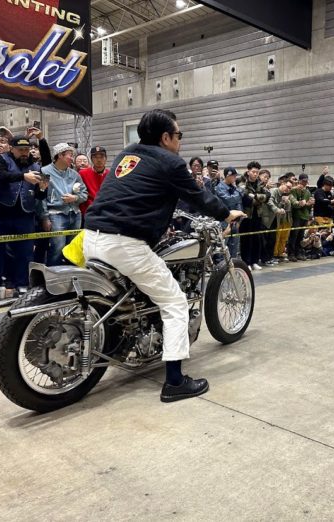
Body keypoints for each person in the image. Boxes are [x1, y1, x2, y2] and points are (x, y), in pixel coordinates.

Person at [84, 109, 244, 402]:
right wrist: (226, 213)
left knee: (134, 296)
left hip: (91, 238)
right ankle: (175, 382)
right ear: (166, 137)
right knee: (175, 303)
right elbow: (197, 196)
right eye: (179, 135)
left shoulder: (127, 154)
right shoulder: (170, 161)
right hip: (124, 244)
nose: (180, 141)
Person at [0, 135, 48, 297]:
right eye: (21, 150)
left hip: (25, 214)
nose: (24, 152)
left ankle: (22, 284)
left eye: (27, 149)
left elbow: (40, 196)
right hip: (0, 213)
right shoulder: (0, 159)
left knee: (25, 252)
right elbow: (0, 176)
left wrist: (42, 188)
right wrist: (23, 176)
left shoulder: (36, 165)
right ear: (11, 149)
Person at [41, 143, 88, 266]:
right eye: (70, 155)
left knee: (74, 250)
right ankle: (53, 275)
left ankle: (71, 275)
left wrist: (75, 198)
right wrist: (45, 217)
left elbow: (84, 194)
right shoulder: (44, 172)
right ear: (60, 155)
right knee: (57, 248)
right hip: (56, 215)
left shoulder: (75, 174)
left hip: (75, 214)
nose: (72, 158)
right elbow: (41, 197)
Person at [214, 166, 243, 258]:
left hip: (234, 221)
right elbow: (228, 200)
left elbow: (239, 203)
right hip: (223, 220)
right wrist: (239, 194)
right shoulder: (219, 187)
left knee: (234, 246)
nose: (235, 178)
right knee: (222, 246)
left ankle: (233, 263)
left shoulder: (234, 188)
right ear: (227, 176)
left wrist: (239, 219)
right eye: (233, 176)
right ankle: (221, 264)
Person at [78, 146, 110, 216]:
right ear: (91, 159)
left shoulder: (111, 175)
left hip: (106, 211)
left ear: (106, 158)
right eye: (95, 157)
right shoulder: (82, 173)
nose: (99, 160)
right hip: (89, 212)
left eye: (101, 157)